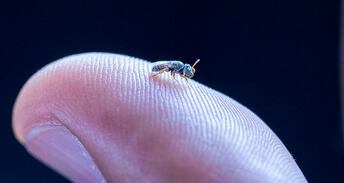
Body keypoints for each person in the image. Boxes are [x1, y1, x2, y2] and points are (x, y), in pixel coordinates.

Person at [12, 53, 307, 182]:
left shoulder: (181, 71)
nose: (188, 74)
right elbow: (169, 71)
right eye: (188, 72)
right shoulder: (173, 70)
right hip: (153, 74)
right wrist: (162, 75)